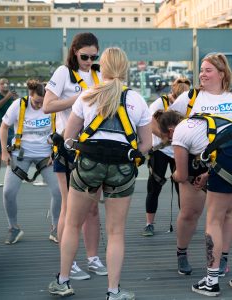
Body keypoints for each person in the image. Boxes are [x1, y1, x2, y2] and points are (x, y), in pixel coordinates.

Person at [48, 47, 152, 299]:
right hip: (122, 167)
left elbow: (68, 137)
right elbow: (146, 145)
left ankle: (63, 281)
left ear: (101, 68)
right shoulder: (136, 99)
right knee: (116, 231)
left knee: (72, 223)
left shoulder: (87, 96)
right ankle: (113, 290)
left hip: (88, 165)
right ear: (125, 68)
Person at [152, 110, 232, 297]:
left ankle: (211, 282)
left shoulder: (179, 132)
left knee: (214, 220)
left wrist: (171, 175)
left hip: (230, 157)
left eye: (167, 138)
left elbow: (181, 176)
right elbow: (222, 145)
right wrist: (208, 175)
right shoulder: (205, 120)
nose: (170, 141)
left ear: (170, 130)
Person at [169, 53, 232, 276]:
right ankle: (182, 253)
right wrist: (177, 149)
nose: (202, 74)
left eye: (208, 70)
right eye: (201, 70)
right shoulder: (191, 96)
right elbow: (166, 123)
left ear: (222, 73)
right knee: (190, 212)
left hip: (228, 164)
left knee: (225, 214)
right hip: (196, 163)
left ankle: (222, 258)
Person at [43, 32, 106, 280]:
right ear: (74, 52)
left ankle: (93, 258)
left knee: (92, 208)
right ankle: (70, 261)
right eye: (85, 56)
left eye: (94, 56)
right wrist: (78, 97)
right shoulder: (63, 73)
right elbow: (47, 105)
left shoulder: (100, 74)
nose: (89, 61)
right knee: (70, 209)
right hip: (68, 148)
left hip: (93, 148)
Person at [0, 79, 61, 245]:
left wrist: (55, 152)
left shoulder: (52, 105)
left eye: (42, 103)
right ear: (30, 95)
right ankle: (14, 227)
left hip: (45, 155)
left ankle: (56, 227)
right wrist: (5, 152)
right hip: (21, 153)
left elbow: (63, 129)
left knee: (59, 191)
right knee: (8, 192)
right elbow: (4, 127)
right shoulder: (19, 105)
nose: (39, 106)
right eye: (36, 102)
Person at [143, 77, 191, 237]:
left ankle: (184, 222)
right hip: (161, 150)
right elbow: (149, 122)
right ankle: (149, 223)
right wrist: (164, 136)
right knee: (154, 186)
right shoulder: (159, 103)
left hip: (180, 149)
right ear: (173, 95)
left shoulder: (188, 104)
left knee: (182, 186)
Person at [0, 78, 16, 184]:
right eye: (2, 83)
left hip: (11, 128)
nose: (5, 85)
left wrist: (16, 99)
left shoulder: (12, 97)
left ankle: (12, 177)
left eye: (7, 83)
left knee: (12, 151)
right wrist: (7, 97)